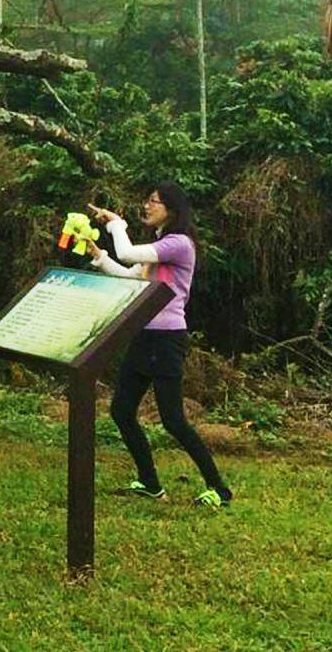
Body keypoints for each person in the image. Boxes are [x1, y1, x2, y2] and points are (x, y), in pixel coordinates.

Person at [88, 184, 233, 507]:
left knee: (173, 420)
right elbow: (129, 274)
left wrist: (115, 224)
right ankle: (150, 483)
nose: (147, 206)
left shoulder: (179, 245)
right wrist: (99, 257)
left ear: (172, 209)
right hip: (143, 336)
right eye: (148, 200)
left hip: (166, 340)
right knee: (122, 410)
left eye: (154, 202)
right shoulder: (159, 246)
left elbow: (127, 253)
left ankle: (219, 489)